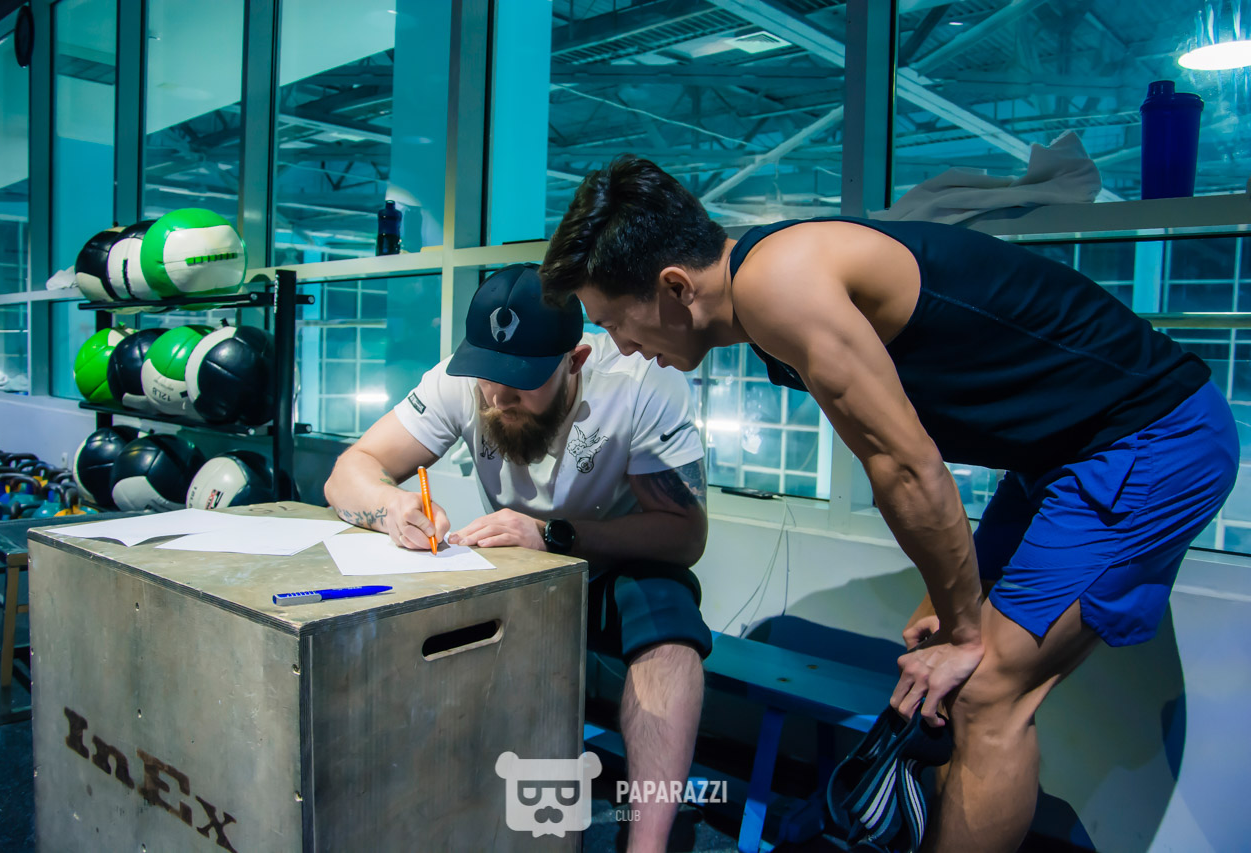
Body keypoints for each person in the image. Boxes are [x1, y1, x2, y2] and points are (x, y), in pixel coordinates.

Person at [539, 156, 1239, 853]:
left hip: (1152, 436)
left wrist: (966, 631)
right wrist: (952, 614)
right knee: (948, 676)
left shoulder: (779, 285)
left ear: (674, 286)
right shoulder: (766, 278)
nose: (621, 346)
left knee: (987, 689)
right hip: (1060, 452)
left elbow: (906, 469)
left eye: (615, 322)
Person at [324, 263, 711, 853]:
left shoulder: (642, 382)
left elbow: (685, 535)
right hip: (518, 568)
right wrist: (390, 507)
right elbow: (350, 471)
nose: (498, 399)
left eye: (522, 382)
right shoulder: (461, 381)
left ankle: (648, 844)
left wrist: (555, 535)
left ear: (575, 361)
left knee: (667, 614)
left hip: (613, 567)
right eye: (488, 380)